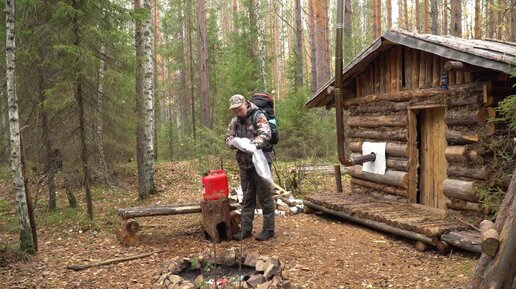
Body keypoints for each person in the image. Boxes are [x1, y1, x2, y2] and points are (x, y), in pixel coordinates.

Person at [225, 94, 275, 241]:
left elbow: (266, 133)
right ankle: (246, 229)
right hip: (244, 164)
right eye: (234, 111)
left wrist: (253, 144)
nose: (238, 113)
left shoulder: (258, 115)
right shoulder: (234, 121)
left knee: (265, 196)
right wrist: (236, 143)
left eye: (239, 109)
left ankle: (268, 230)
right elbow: (228, 137)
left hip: (260, 164)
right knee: (247, 198)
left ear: (245, 104)